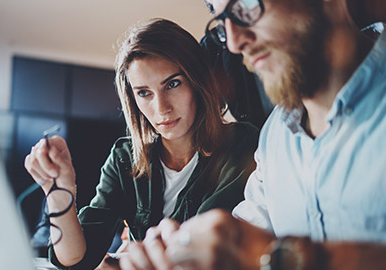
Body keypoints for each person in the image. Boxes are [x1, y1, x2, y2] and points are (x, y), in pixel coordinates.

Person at [119, 0, 386, 269]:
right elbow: (242, 235)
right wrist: (184, 254)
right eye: (222, 19)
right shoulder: (275, 136)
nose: (234, 43)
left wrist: (285, 257)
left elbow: (262, 253)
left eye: (246, 5)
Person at [24, 18, 258, 269]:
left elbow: (198, 247)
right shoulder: (125, 158)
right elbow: (76, 261)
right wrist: (59, 192)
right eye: (144, 93)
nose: (162, 108)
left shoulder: (240, 143)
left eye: (173, 84)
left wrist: (122, 261)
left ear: (198, 83)